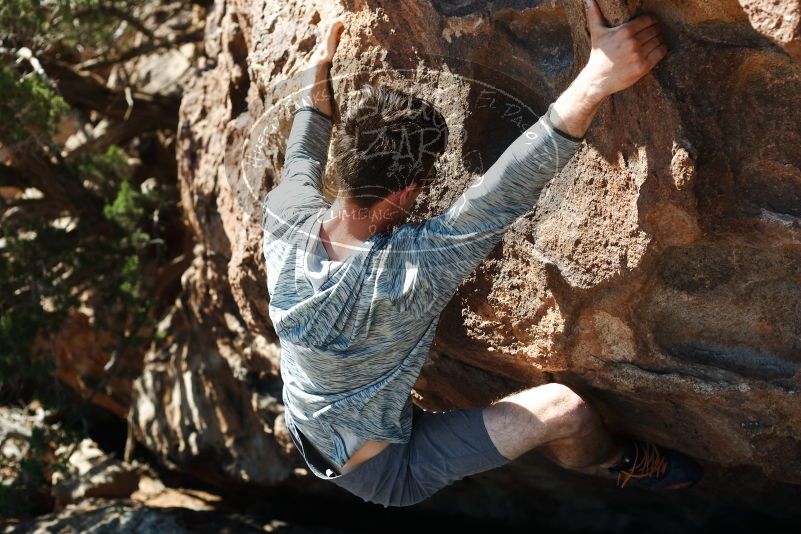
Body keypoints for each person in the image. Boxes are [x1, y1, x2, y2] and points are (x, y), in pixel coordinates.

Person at [262, 0, 703, 508]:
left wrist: (320, 62)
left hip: (309, 417)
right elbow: (501, 192)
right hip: (385, 469)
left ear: (343, 160)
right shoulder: (408, 272)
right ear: (408, 193)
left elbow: (303, 145)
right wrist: (597, 78)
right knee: (565, 410)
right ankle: (613, 461)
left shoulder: (284, 216)